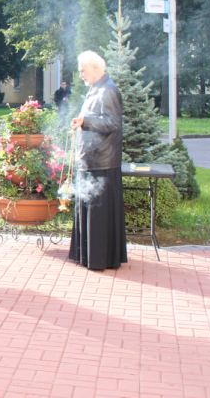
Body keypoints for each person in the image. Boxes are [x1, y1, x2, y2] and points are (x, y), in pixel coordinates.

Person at [69, 51, 127, 270]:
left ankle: (99, 258)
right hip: (91, 160)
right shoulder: (96, 88)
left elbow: (113, 123)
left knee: (99, 214)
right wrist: (83, 122)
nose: (81, 74)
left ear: (95, 68)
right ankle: (87, 255)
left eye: (83, 70)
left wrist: (86, 121)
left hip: (102, 162)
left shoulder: (109, 90)